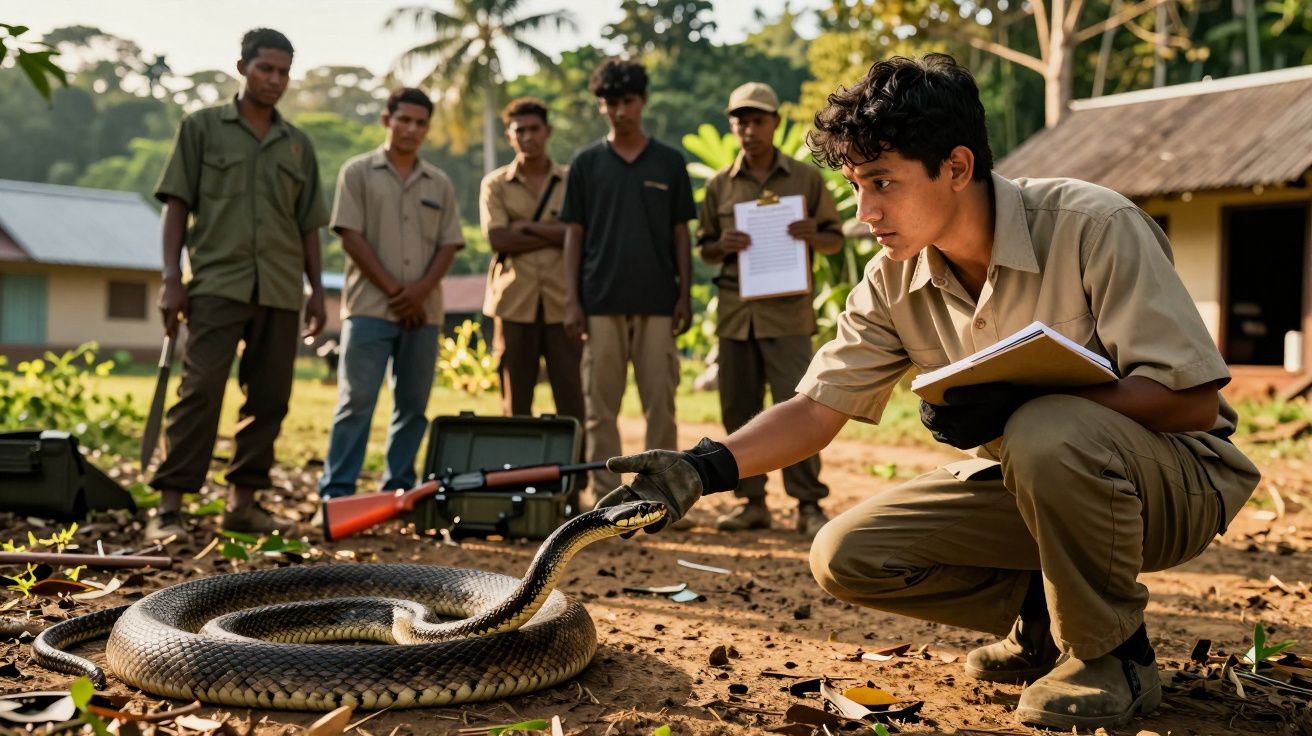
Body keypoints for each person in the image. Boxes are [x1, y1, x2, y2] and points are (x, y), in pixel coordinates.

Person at [595, 54, 1260, 731]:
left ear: (957, 168)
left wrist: (1022, 409)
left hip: (1175, 482)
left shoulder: (1091, 226)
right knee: (847, 554)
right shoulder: (892, 279)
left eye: (882, 182)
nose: (864, 211)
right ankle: (1045, 621)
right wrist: (702, 467)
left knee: (1045, 430)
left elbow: (1193, 403)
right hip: (1041, 484)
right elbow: (817, 408)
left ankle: (1112, 654)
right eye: (856, 185)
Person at [149, 28, 329, 539]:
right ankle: (168, 509)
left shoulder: (298, 145)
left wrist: (317, 290)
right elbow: (176, 208)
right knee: (200, 390)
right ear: (242, 67)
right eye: (265, 69)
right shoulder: (202, 128)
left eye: (283, 72)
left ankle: (243, 504)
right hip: (215, 284)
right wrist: (170, 279)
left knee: (269, 397)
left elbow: (309, 224)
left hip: (278, 288)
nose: (275, 80)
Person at [697, 82, 844, 539]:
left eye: (758, 119)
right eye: (741, 120)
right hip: (735, 315)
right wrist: (722, 245)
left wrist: (811, 235)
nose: (749, 128)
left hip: (788, 316)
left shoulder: (805, 178)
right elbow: (704, 249)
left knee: (797, 407)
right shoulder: (719, 184)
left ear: (775, 124)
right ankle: (752, 502)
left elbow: (835, 238)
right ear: (733, 125)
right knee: (738, 408)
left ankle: (807, 504)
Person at [317, 88, 465, 500]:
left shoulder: (440, 183)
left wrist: (417, 294)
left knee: (413, 407)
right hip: (368, 308)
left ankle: (399, 492)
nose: (411, 129)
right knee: (356, 401)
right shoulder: (358, 172)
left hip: (424, 312)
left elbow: (449, 245)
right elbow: (350, 235)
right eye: (404, 120)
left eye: (420, 123)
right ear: (387, 120)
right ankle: (338, 493)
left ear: (427, 128)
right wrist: (397, 292)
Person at [559, 58, 695, 494]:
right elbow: (573, 236)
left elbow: (681, 235)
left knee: (661, 406)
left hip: (658, 301)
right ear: (601, 105)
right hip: (600, 302)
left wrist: (684, 295)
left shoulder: (670, 163)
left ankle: (661, 495)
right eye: (611, 102)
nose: (620, 110)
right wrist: (572, 300)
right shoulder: (585, 164)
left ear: (644, 101)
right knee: (600, 408)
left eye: (628, 101)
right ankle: (604, 496)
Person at [480, 97, 584, 424]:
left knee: (571, 394)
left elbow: (584, 235)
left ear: (548, 131)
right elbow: (498, 238)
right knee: (516, 397)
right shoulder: (495, 184)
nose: (528, 137)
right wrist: (558, 232)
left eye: (534, 129)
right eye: (519, 130)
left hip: (564, 303)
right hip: (512, 303)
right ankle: (516, 473)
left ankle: (575, 475)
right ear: (509, 136)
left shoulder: (572, 181)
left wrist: (525, 227)